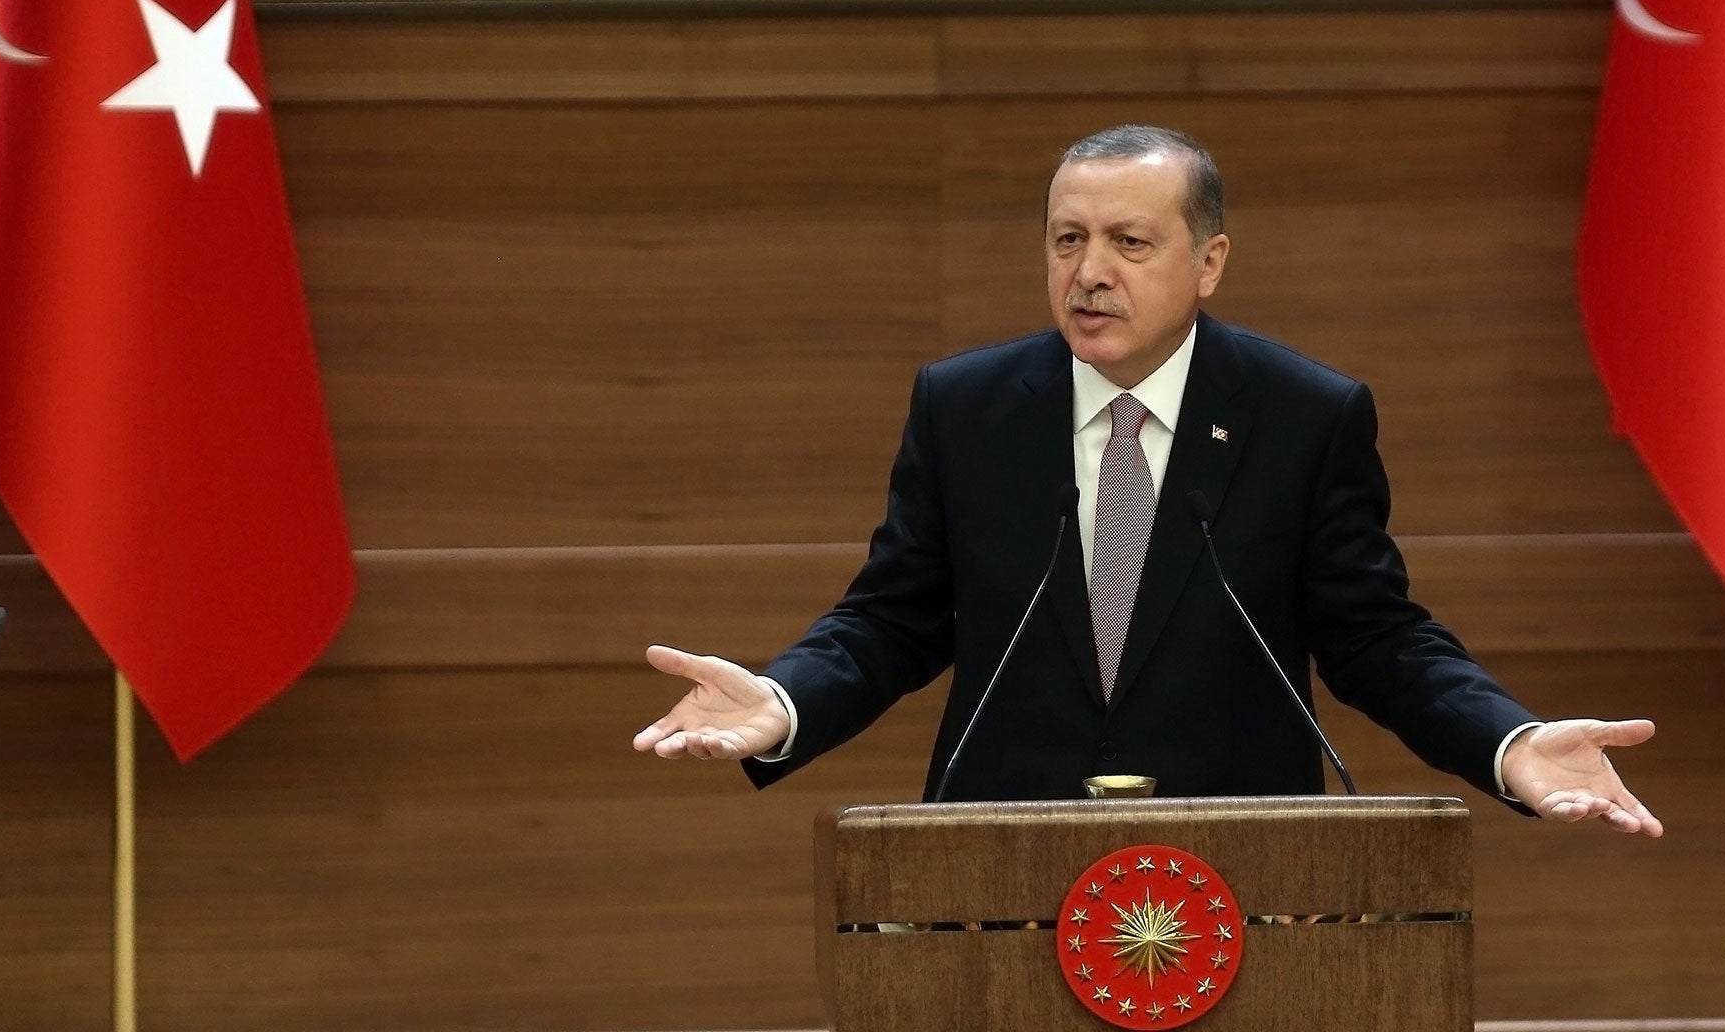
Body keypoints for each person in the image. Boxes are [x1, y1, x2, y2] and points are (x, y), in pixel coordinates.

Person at [636, 125, 1661, 834]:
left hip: (1240, 860)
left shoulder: (1303, 414)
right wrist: (782, 700)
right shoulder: (968, 408)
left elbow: (1373, 638)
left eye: (1129, 242)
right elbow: (894, 619)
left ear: (1207, 261)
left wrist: (1508, 742)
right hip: (999, 850)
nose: (1089, 271)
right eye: (1067, 239)